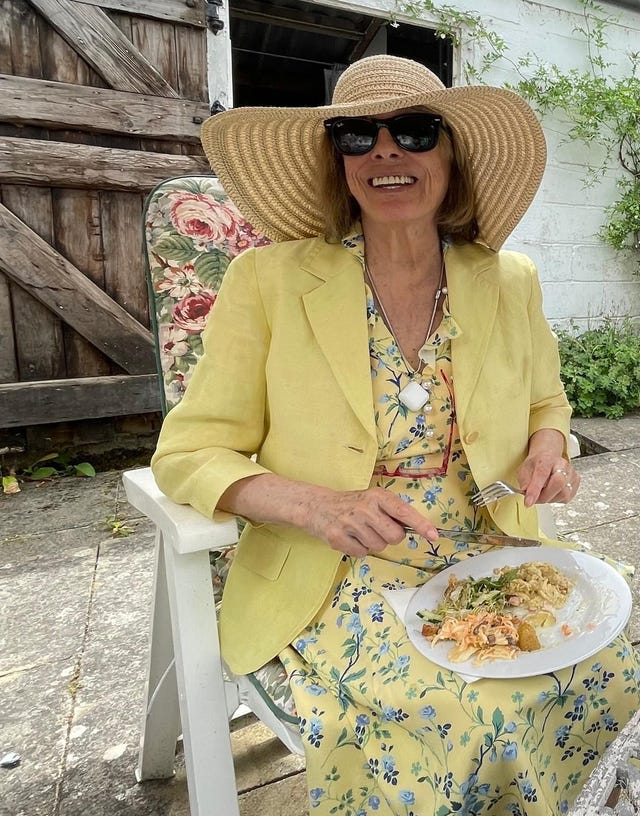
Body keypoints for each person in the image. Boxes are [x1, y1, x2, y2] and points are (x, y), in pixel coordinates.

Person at [151, 55, 639, 816]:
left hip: (490, 546)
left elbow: (549, 400)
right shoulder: (268, 282)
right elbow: (186, 455)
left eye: (415, 130)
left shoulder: (509, 279)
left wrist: (552, 446)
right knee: (472, 714)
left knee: (617, 659)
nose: (387, 151)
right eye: (356, 136)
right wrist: (318, 507)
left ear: (451, 157)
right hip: (336, 571)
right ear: (336, 161)